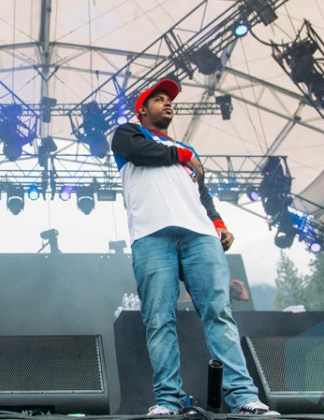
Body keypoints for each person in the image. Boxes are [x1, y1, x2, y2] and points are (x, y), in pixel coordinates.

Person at [110, 78, 278, 416]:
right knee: (159, 319)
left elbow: (202, 195)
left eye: (170, 100)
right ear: (142, 110)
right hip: (152, 235)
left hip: (200, 235)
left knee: (218, 314)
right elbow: (140, 153)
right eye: (159, 99)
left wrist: (218, 223)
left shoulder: (189, 154)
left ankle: (244, 397)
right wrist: (181, 154)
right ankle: (168, 400)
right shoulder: (128, 135)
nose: (168, 103)